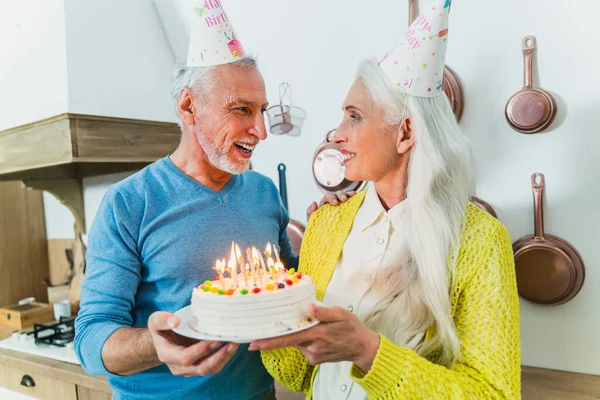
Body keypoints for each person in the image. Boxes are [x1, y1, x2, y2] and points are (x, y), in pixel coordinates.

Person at [250, 2, 521, 399]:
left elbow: (493, 394)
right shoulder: (327, 224)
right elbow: (300, 375)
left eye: (354, 116)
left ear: (406, 132)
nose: (336, 134)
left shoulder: (479, 242)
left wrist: (368, 351)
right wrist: (273, 316)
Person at [74, 3, 295, 399]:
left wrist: (337, 219)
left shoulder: (265, 194)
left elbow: (287, 290)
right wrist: (156, 345)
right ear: (188, 106)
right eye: (241, 110)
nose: (261, 130)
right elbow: (91, 341)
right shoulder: (129, 203)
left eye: (262, 110)